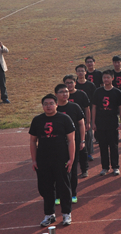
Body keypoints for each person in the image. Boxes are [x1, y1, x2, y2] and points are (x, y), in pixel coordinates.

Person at [30, 94, 75, 227]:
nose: (48, 106)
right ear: (42, 106)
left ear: (56, 104)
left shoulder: (64, 118)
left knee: (64, 187)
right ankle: (49, 214)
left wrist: (71, 158)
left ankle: (66, 213)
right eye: (45, 104)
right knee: (45, 188)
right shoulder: (37, 120)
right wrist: (34, 160)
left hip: (61, 159)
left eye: (51, 103)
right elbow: (33, 141)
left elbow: (71, 140)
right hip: (43, 159)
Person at [54, 84, 85, 205]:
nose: (65, 94)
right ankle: (58, 195)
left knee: (72, 169)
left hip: (73, 142)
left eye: (66, 91)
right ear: (56, 94)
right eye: (62, 92)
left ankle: (73, 194)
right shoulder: (54, 108)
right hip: (58, 144)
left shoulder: (75, 107)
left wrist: (82, 140)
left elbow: (81, 124)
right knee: (58, 170)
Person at [91, 70, 121, 176]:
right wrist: (93, 122)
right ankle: (105, 167)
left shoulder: (117, 92)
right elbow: (94, 107)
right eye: (104, 77)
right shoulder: (98, 91)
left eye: (108, 77)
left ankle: (115, 167)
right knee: (103, 146)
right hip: (100, 122)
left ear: (112, 78)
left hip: (112, 122)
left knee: (113, 145)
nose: (106, 79)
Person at [63, 75, 90, 177]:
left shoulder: (81, 94)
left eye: (71, 82)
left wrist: (88, 122)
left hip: (78, 127)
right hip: (65, 129)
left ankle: (84, 169)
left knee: (81, 149)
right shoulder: (61, 97)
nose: (69, 85)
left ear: (75, 83)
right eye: (67, 83)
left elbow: (87, 109)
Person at [74, 64, 96, 162]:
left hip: (88, 111)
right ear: (76, 73)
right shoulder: (74, 84)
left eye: (82, 71)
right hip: (75, 114)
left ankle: (89, 153)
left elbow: (94, 99)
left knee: (88, 134)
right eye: (78, 71)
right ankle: (77, 153)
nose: (80, 73)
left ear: (85, 72)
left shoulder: (90, 85)